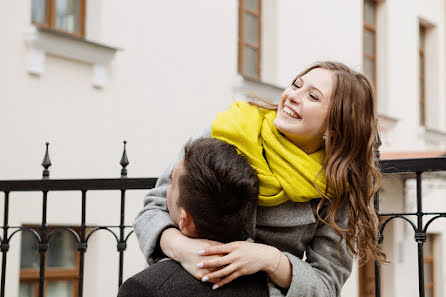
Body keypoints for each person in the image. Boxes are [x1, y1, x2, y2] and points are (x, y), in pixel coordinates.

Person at [131, 61, 385, 297]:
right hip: (181, 282)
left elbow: (327, 284)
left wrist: (271, 260)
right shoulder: (232, 128)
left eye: (313, 96)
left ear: (335, 125)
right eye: (297, 84)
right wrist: (181, 248)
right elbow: (154, 206)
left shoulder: (336, 185)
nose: (293, 96)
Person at [118, 137, 268, 297]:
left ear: (184, 220)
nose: (165, 191)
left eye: (172, 183)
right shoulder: (268, 284)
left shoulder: (144, 288)